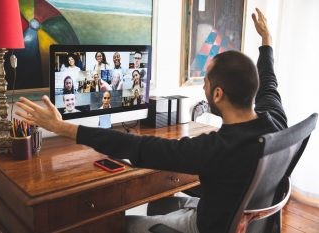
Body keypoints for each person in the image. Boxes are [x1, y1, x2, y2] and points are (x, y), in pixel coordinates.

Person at [15, 9, 287, 233]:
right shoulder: (275, 120)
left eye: (205, 80)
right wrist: (266, 42)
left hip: (206, 225)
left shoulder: (215, 149)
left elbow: (138, 148)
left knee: (116, 224)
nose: (202, 86)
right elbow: (270, 82)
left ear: (218, 93)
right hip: (236, 215)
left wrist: (61, 127)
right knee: (160, 203)